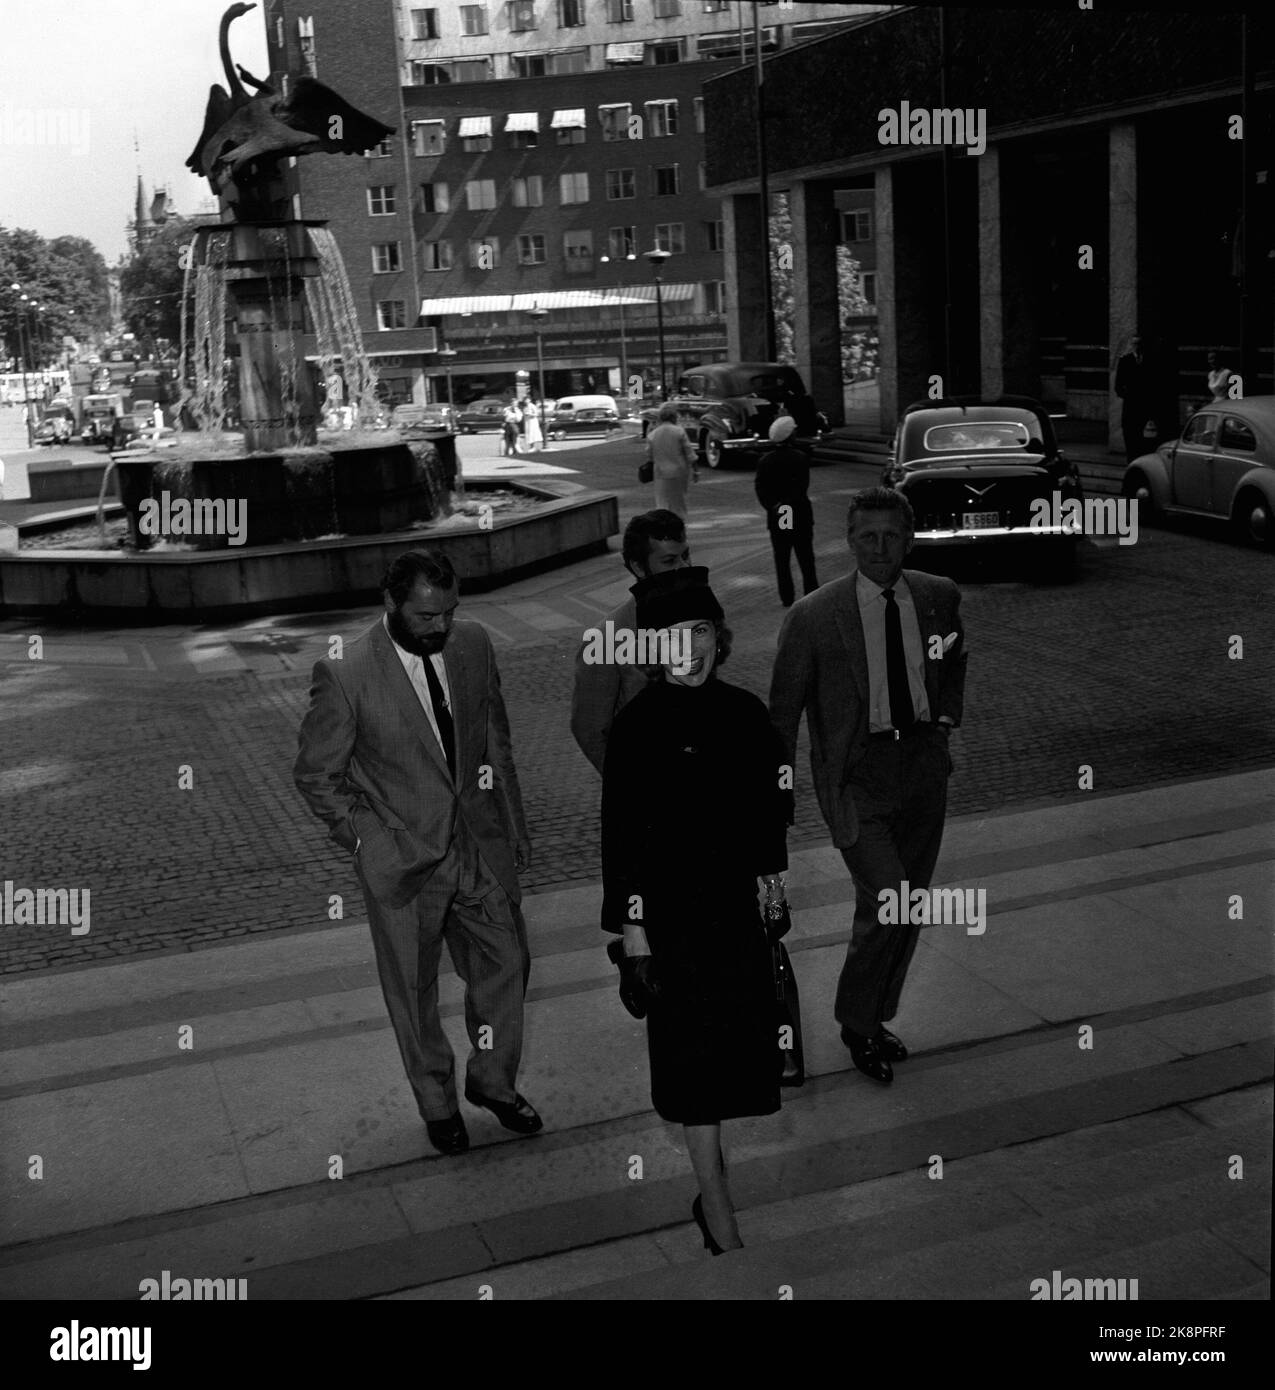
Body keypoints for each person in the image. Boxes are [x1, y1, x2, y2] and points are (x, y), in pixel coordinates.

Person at [293, 549, 541, 1156]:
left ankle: (491, 1081)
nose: (441, 627)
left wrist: (512, 822)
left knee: (508, 962)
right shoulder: (346, 672)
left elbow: (494, 739)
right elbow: (316, 775)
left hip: (479, 843)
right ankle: (437, 1102)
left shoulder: (475, 643)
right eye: (427, 617)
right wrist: (368, 843)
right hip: (403, 860)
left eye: (450, 613)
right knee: (414, 988)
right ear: (391, 604)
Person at [601, 568, 791, 1254]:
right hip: (671, 927)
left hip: (736, 918)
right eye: (673, 635)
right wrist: (632, 935)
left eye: (702, 631)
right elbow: (620, 839)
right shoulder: (635, 728)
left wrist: (771, 884)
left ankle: (712, 1193)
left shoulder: (743, 712)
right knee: (694, 1077)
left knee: (735, 1065)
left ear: (720, 637)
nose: (690, 647)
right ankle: (718, 1213)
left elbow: (775, 803)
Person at [769, 488, 968, 1087]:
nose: (880, 548)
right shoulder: (812, 616)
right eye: (866, 537)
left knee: (907, 906)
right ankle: (858, 1026)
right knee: (887, 900)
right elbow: (783, 714)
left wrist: (945, 717)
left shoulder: (938, 596)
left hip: (922, 770)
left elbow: (954, 657)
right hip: (856, 778)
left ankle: (876, 1017)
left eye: (891, 536)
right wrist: (778, 794)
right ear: (849, 541)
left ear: (909, 538)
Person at [571, 509, 691, 774]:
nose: (683, 568)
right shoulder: (605, 640)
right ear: (638, 567)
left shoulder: (697, 622)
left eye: (686, 555)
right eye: (670, 561)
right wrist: (630, 788)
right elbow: (590, 730)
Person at [755, 416, 819, 607]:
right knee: (806, 557)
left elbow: (760, 488)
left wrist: (775, 506)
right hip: (798, 514)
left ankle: (787, 596)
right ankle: (811, 594)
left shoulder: (765, 460)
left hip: (778, 516)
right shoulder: (800, 457)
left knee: (782, 559)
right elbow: (801, 487)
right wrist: (787, 505)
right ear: (790, 436)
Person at [645, 404, 698, 519]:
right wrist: (696, 471)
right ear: (674, 417)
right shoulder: (679, 432)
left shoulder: (652, 435)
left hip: (660, 473)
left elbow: (649, 456)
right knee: (678, 500)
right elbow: (690, 453)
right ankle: (679, 522)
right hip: (679, 471)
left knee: (662, 500)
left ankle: (664, 523)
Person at [1114, 333, 1159, 463]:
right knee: (1129, 433)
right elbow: (1118, 385)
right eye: (1134, 344)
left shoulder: (1150, 360)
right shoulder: (1125, 360)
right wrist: (1127, 396)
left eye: (1139, 344)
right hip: (1130, 405)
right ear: (1131, 345)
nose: (1137, 346)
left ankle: (1141, 460)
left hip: (1145, 405)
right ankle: (1131, 459)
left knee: (1144, 436)